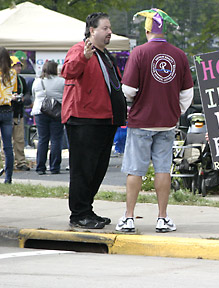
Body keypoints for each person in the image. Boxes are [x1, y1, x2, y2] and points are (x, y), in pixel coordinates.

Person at [115, 8, 193, 233]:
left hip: (141, 121)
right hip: (167, 123)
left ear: (147, 29)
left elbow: (128, 89)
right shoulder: (179, 55)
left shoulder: (139, 53)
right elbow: (187, 93)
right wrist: (173, 110)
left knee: (135, 170)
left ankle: (129, 218)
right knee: (162, 170)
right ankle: (162, 218)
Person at [61, 12, 127, 229]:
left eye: (110, 28)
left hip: (105, 120)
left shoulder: (105, 55)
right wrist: (84, 57)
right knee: (83, 169)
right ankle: (78, 214)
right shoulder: (80, 50)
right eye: (106, 28)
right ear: (92, 30)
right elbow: (68, 72)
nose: (110, 32)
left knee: (97, 169)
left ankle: (87, 210)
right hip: (84, 119)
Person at [31, 61, 65, 175]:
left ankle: (40, 167)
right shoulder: (62, 81)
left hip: (40, 111)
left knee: (42, 139)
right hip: (56, 112)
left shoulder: (37, 81)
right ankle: (54, 167)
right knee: (56, 139)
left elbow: (34, 95)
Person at [10, 56, 31, 171]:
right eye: (16, 66)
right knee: (7, 140)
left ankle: (21, 162)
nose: (18, 68)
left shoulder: (22, 80)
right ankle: (8, 163)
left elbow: (28, 93)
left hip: (18, 114)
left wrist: (23, 98)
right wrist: (11, 97)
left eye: (19, 66)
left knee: (19, 139)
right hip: (7, 113)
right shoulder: (4, 79)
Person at [0, 47, 17, 184]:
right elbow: (13, 91)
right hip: (7, 110)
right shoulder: (12, 73)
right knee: (8, 146)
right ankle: (8, 177)